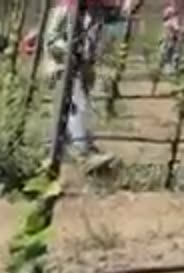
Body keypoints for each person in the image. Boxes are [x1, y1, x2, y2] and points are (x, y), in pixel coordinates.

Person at [42, 0, 143, 170]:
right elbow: (52, 40)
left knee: (78, 110)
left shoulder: (95, 11)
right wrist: (71, 51)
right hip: (62, 68)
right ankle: (83, 154)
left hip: (83, 70)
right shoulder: (66, 9)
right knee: (75, 107)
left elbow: (118, 15)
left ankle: (72, 151)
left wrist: (132, 6)